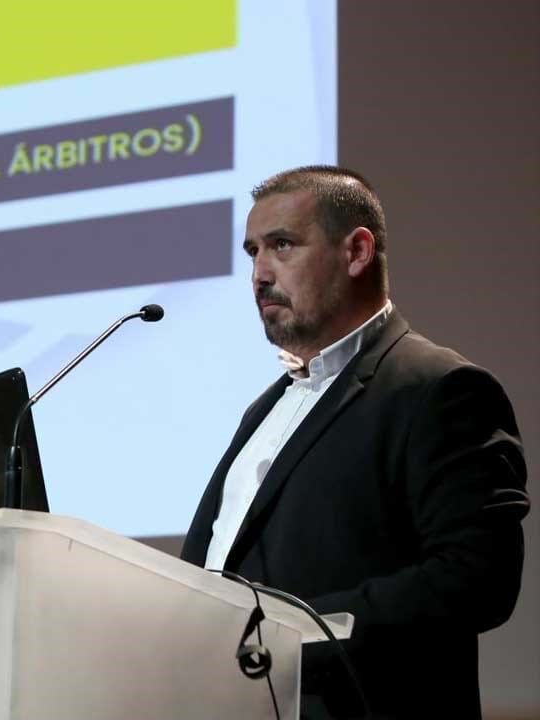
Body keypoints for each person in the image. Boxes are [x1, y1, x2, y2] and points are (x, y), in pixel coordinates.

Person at [181, 166, 530, 719]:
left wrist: (285, 636)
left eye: (282, 245)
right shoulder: (265, 409)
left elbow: (476, 578)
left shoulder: (439, 389)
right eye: (253, 252)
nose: (259, 274)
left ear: (358, 252)